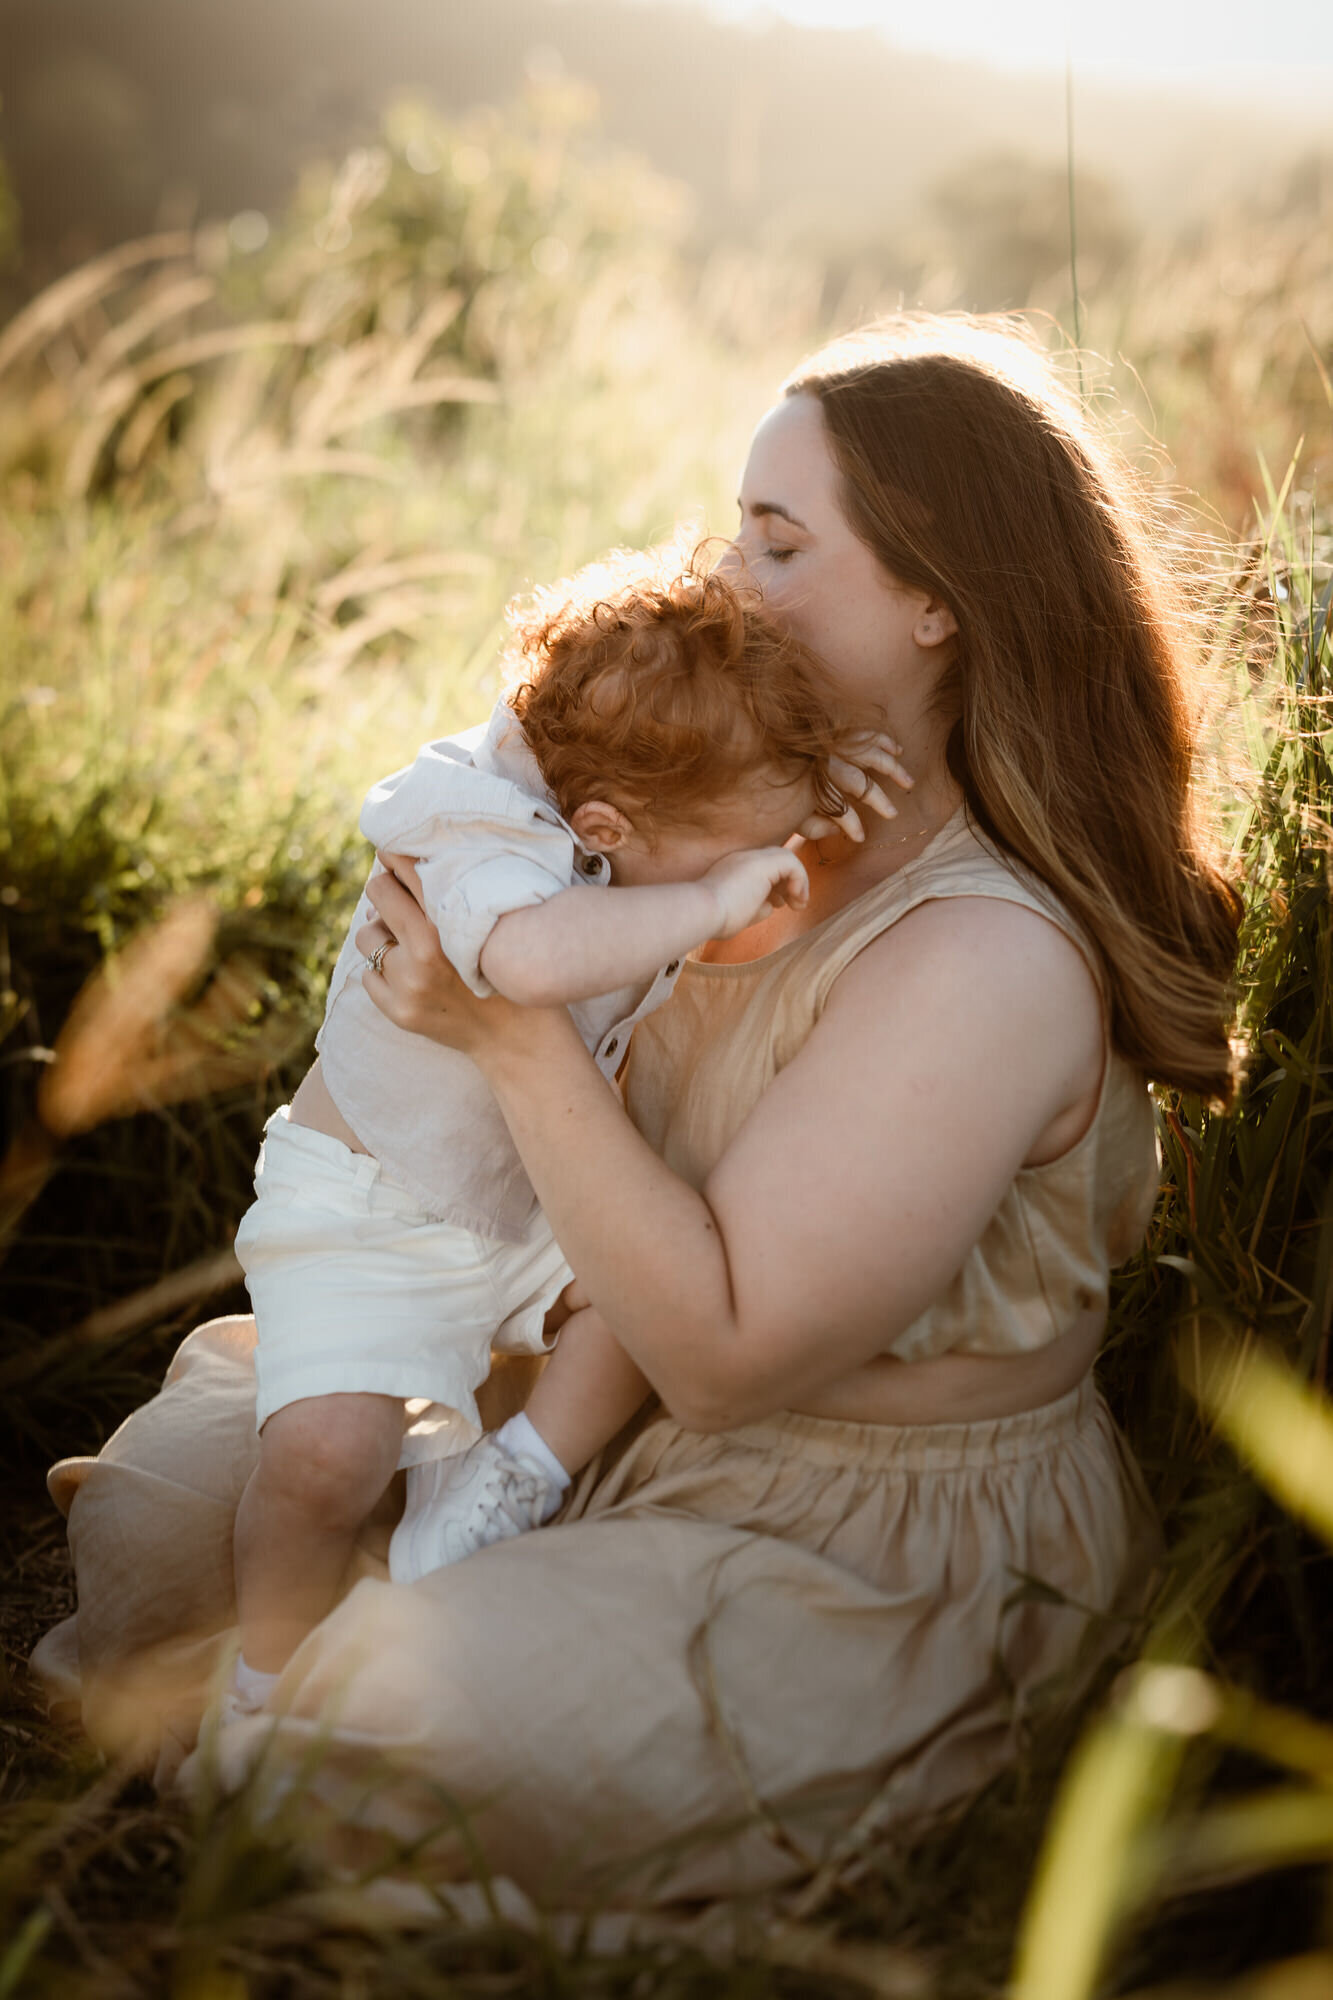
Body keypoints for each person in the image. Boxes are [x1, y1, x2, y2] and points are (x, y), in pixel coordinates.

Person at [33, 314, 1242, 1912]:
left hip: (848, 1538)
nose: (728, 578)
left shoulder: (982, 958)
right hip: (607, 1420)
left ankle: (306, 1764)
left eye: (781, 541)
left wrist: (511, 1033)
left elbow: (724, 1357)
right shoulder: (721, 821)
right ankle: (288, 1734)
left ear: (939, 601)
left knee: (384, 1717)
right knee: (187, 1508)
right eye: (734, 525)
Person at [228, 546, 900, 1709]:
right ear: (601, 822)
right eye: (737, 848)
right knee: (322, 1461)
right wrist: (707, 898)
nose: (763, 867)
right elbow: (527, 962)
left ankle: (512, 1473)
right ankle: (259, 1673)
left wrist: (813, 769)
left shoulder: (640, 772)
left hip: (517, 1196)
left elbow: (713, 761)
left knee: (647, 1292)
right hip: (370, 1207)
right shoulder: (474, 828)